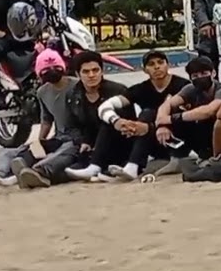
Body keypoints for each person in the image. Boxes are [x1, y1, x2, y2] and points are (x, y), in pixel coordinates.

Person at [69, 50, 189, 181]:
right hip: (152, 141)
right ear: (144, 69)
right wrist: (116, 121)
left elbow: (189, 118)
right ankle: (95, 166)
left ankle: (133, 166)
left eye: (160, 62)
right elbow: (104, 107)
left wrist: (159, 125)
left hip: (178, 138)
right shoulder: (140, 89)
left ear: (168, 65)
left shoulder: (183, 86)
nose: (157, 67)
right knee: (114, 118)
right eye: (151, 64)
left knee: (147, 113)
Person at [0, 49, 78, 189]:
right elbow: (46, 119)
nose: (52, 71)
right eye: (46, 69)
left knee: (60, 154)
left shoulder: (76, 86)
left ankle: (31, 172)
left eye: (56, 67)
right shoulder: (42, 92)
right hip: (58, 137)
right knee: (11, 153)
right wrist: (40, 141)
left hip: (75, 138)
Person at [152, 56, 221, 175]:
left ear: (213, 73)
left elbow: (209, 111)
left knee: (199, 117)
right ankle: (178, 159)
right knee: (169, 113)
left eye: (204, 73)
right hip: (200, 134)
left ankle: (211, 156)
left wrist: (172, 119)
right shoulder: (191, 89)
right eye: (195, 76)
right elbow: (168, 104)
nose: (200, 78)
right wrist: (162, 124)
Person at [63, 52, 133, 183]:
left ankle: (95, 167)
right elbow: (71, 126)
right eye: (86, 72)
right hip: (87, 145)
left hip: (117, 143)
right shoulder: (73, 95)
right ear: (78, 74)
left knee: (108, 120)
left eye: (95, 70)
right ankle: (39, 171)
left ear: (102, 71)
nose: (91, 75)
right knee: (64, 169)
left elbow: (127, 123)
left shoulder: (118, 91)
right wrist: (83, 141)